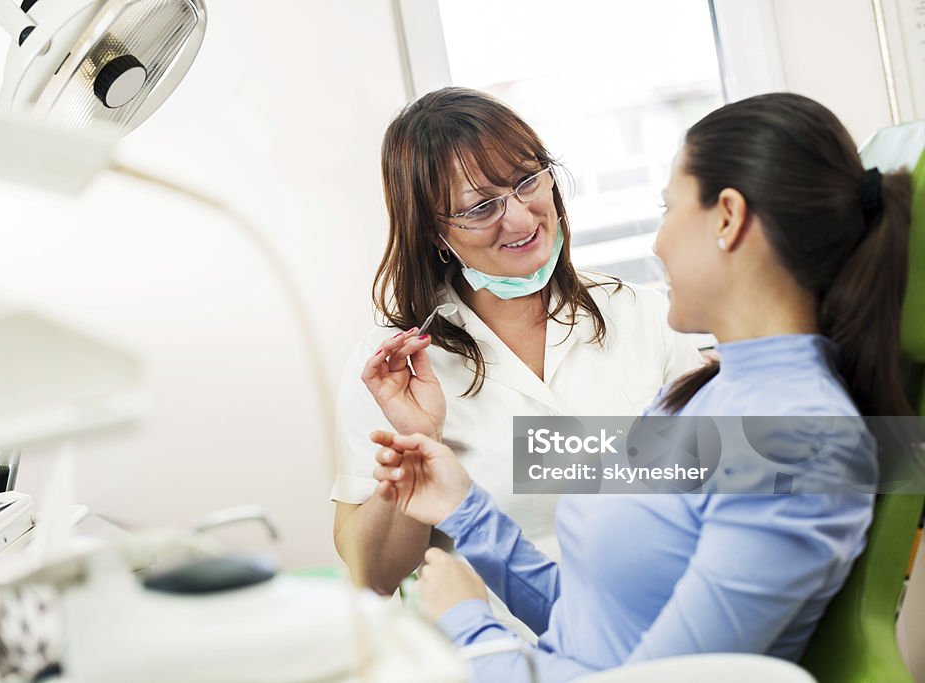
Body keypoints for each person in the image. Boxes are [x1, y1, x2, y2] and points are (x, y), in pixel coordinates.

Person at [368, 92, 913, 680]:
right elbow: (599, 625)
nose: (656, 244)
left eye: (666, 208)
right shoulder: (710, 393)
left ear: (727, 218)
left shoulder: (805, 440)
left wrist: (470, 623)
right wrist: (467, 513)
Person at [331, 87, 702, 595]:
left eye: (527, 181)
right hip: (493, 652)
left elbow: (715, 479)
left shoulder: (640, 312)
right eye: (480, 208)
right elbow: (371, 577)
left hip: (645, 630)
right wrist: (419, 449)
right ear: (436, 235)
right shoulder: (394, 369)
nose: (522, 219)